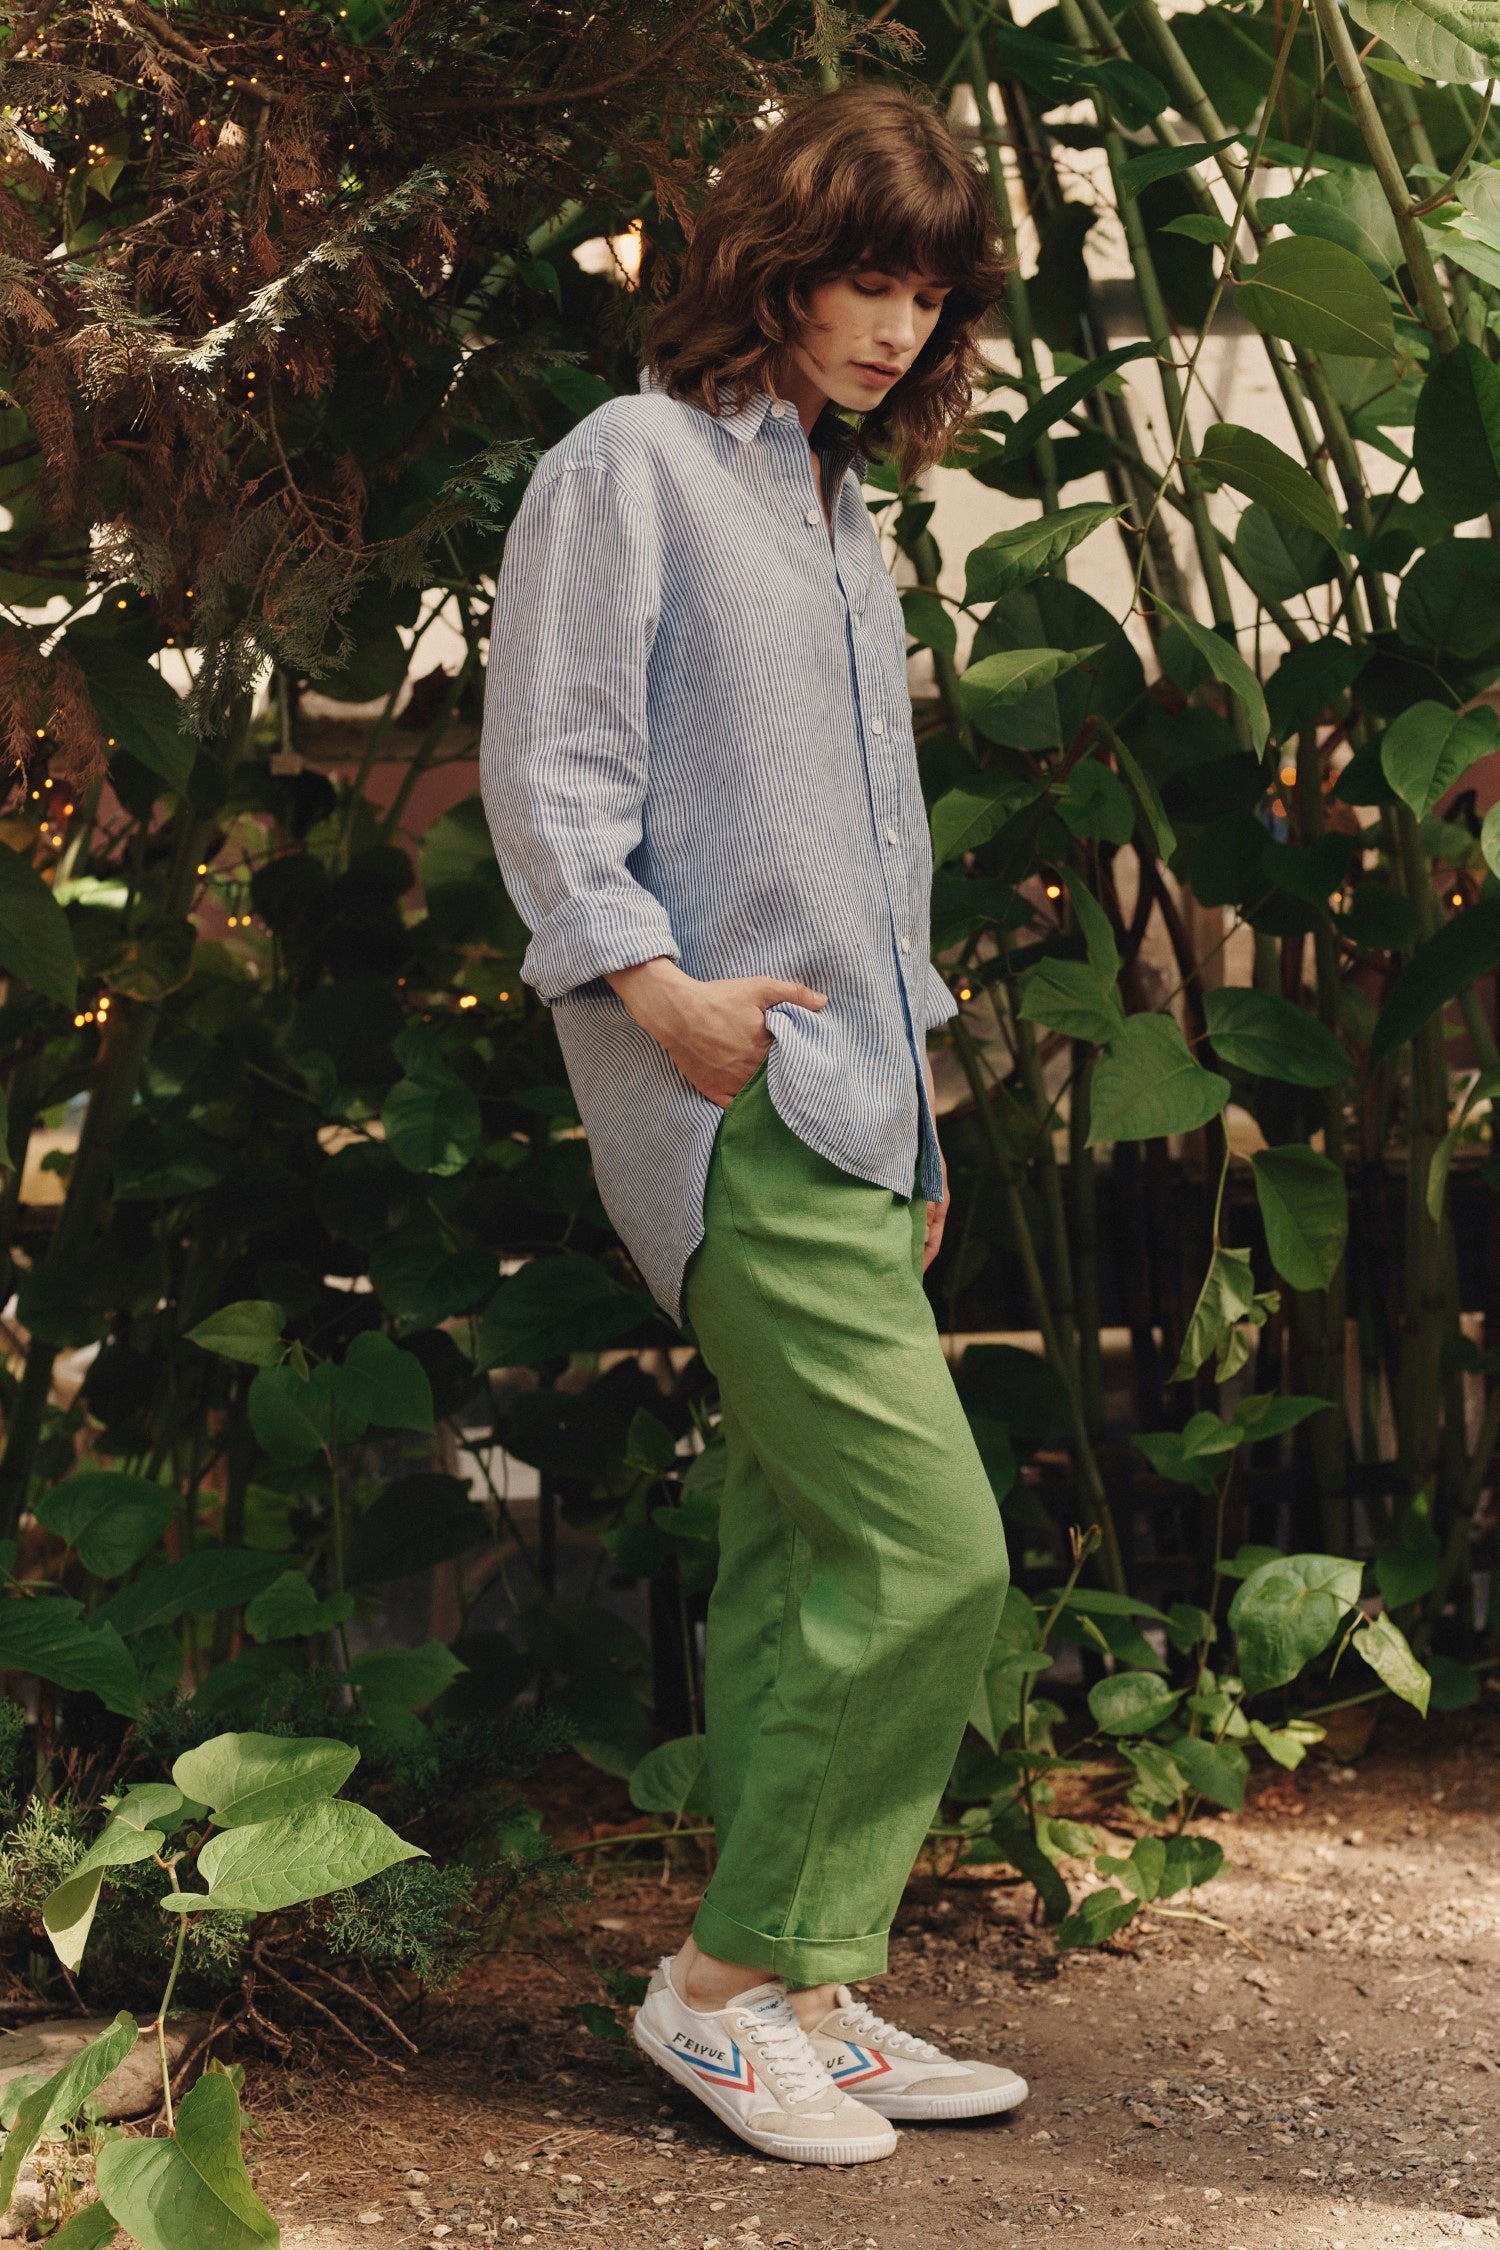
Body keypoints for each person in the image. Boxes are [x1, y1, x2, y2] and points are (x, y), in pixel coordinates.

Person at [481, 82, 1026, 2166]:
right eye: (864, 279)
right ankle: (718, 1990)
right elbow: (553, 767)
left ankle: (800, 1984)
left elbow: (873, 857)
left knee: (809, 1558)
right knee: (930, 1549)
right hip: (734, 1093)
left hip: (860, 1106)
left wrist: (925, 1125)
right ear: (774, 263)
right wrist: (658, 994)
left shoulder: (832, 500)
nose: (894, 326)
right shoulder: (629, 466)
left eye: (926, 295)